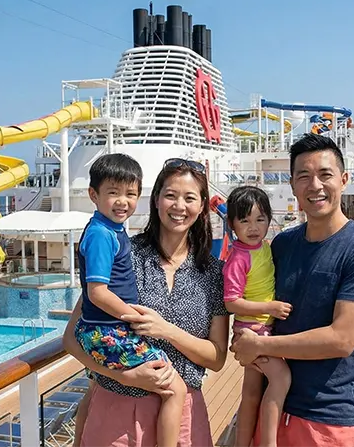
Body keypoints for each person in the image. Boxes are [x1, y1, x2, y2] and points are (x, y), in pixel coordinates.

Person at [230, 133, 354, 446]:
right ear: (292, 185)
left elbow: (341, 340)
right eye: (304, 176)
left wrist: (260, 347)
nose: (315, 185)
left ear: (344, 180)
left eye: (325, 175)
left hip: (325, 421)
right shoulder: (284, 244)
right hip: (272, 411)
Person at [64, 157, 230, 447]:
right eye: (170, 195)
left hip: (182, 416)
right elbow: (71, 338)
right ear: (155, 200)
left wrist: (165, 330)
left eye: (189, 198)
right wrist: (126, 376)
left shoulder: (212, 272)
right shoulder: (125, 254)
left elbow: (216, 358)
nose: (179, 206)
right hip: (116, 407)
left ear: (202, 205)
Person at [72, 153, 187, 447]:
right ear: (93, 195)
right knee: (175, 388)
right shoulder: (101, 234)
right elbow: (96, 292)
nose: (122, 201)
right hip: (109, 331)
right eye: (113, 192)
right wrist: (133, 317)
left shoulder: (112, 230)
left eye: (131, 194)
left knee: (95, 385)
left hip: (103, 329)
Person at [221, 186, 292, 447]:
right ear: (232, 224)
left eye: (260, 219)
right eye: (245, 220)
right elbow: (231, 303)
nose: (253, 227)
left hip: (260, 328)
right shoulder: (238, 258)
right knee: (281, 377)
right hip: (253, 331)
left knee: (251, 393)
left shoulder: (263, 248)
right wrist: (270, 308)